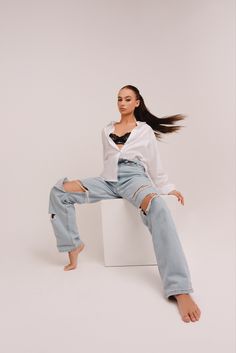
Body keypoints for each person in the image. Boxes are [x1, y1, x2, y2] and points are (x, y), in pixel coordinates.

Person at [48, 84, 201, 323]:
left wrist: (168, 188)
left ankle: (179, 288)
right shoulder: (106, 129)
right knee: (60, 191)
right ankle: (73, 245)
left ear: (137, 102)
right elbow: (107, 161)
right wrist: (103, 186)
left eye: (127, 99)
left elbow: (154, 166)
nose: (122, 103)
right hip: (108, 180)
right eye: (119, 99)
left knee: (158, 207)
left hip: (135, 178)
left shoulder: (145, 131)